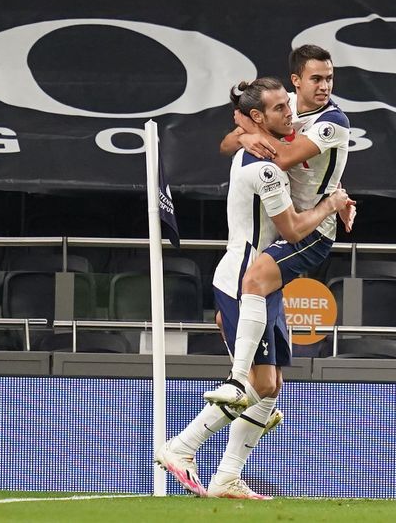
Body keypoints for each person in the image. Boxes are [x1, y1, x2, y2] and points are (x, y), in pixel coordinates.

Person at [155, 77, 353, 499]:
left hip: (264, 284)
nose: (291, 113)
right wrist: (330, 204)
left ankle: (227, 476)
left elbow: (232, 139)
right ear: (261, 116)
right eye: (281, 108)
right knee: (252, 388)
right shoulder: (266, 168)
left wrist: (245, 131)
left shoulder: (260, 145)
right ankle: (182, 447)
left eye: (288, 105)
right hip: (246, 283)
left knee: (270, 388)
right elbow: (296, 231)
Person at [204, 45, 353, 414]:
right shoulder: (282, 106)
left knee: (253, 280)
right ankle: (224, 461)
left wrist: (252, 133)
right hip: (290, 222)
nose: (324, 86)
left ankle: (235, 380)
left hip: (315, 229)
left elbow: (283, 157)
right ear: (296, 80)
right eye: (316, 78)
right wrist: (242, 136)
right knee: (269, 384)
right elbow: (225, 145)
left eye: (329, 78)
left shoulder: (333, 121)